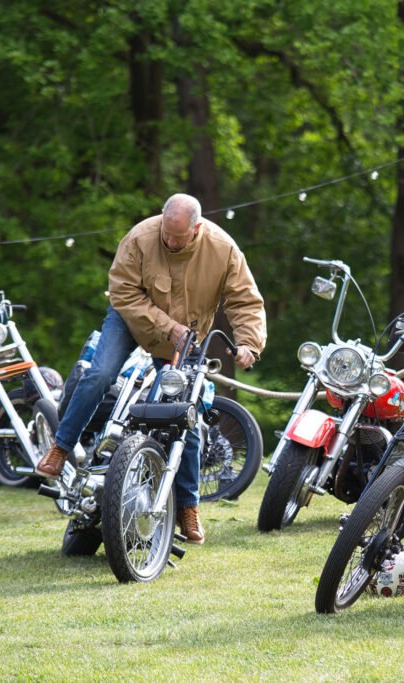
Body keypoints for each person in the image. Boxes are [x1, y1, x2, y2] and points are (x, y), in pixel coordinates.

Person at [36, 193, 267, 544]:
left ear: (197, 229)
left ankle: (188, 507)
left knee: (183, 413)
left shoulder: (223, 249)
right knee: (99, 374)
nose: (170, 242)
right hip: (131, 321)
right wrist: (167, 327)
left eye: (179, 237)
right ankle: (62, 447)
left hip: (185, 336)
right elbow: (123, 293)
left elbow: (245, 299)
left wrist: (250, 342)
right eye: (166, 234)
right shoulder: (140, 237)